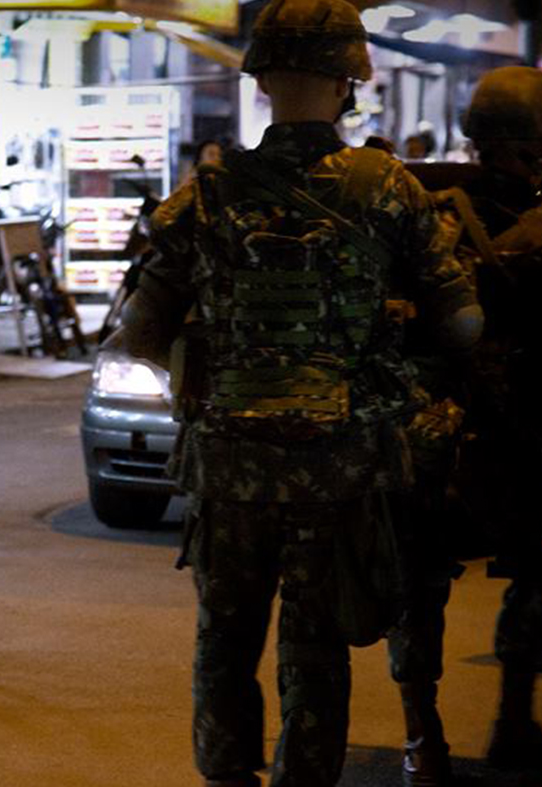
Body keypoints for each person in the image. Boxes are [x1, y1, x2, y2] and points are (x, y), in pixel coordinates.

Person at [118, 1, 482, 785]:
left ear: (260, 83)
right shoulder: (386, 188)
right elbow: (462, 326)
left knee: (223, 637)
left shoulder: (205, 196)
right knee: (313, 647)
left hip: (225, 467)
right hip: (337, 468)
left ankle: (224, 774)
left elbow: (136, 335)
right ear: (349, 81)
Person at [440, 65, 542, 773]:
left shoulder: (434, 211)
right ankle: (509, 719)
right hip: (520, 436)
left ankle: (435, 735)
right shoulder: (525, 227)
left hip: (452, 442)